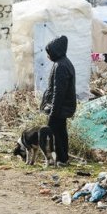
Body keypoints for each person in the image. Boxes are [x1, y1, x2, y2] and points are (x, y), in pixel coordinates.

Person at [39, 35, 76, 166]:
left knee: (53, 133)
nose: (48, 56)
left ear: (55, 51)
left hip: (60, 107)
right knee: (60, 132)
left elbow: (59, 91)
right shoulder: (63, 62)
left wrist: (53, 110)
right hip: (62, 107)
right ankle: (63, 158)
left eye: (49, 53)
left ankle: (57, 159)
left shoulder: (61, 65)